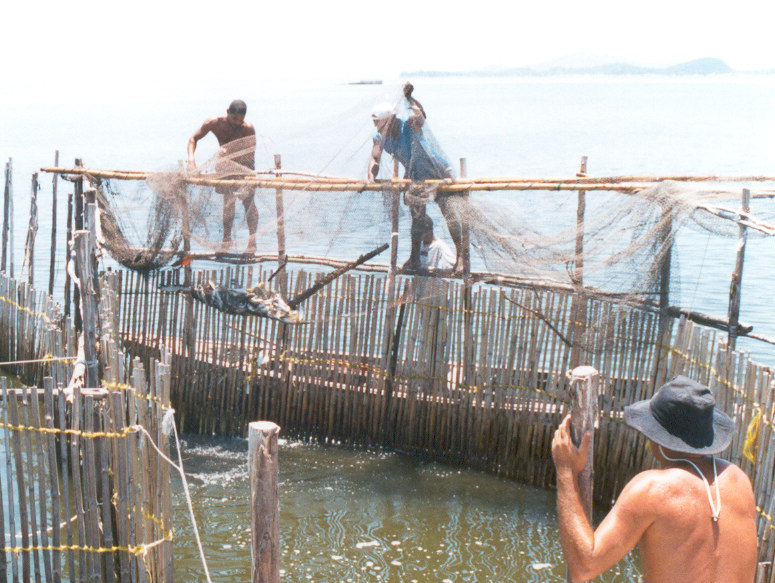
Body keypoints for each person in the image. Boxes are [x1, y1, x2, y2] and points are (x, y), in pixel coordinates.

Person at [551, 375, 757, 583]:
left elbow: (585, 566)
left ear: (658, 438)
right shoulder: (739, 480)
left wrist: (566, 471)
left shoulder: (653, 490)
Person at [367, 83, 465, 273]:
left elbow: (421, 116)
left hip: (438, 172)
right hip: (416, 176)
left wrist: (409, 98)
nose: (375, 127)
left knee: (449, 213)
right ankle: (414, 258)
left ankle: (461, 258)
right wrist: (372, 175)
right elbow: (375, 158)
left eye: (377, 122)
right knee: (417, 216)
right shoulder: (379, 137)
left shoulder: (409, 125)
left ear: (389, 120)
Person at [187, 99, 258, 253]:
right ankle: (226, 240)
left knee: (249, 203)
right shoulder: (214, 123)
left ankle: (252, 243)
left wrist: (245, 182)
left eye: (240, 121)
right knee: (228, 202)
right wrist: (191, 162)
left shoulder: (248, 129)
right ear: (227, 112)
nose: (236, 124)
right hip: (224, 168)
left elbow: (250, 156)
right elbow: (193, 139)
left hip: (244, 169)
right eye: (233, 119)